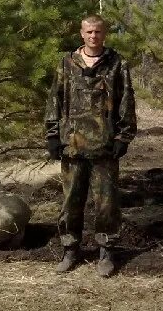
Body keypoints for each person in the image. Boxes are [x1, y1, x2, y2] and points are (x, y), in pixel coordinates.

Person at [45, 14, 136, 277]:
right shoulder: (66, 63)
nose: (93, 36)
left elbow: (127, 101)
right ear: (81, 33)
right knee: (71, 202)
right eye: (89, 32)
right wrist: (53, 136)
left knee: (106, 203)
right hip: (72, 146)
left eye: (98, 32)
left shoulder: (117, 64)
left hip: (105, 147)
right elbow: (54, 100)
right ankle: (70, 249)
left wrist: (123, 137)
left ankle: (106, 252)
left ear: (104, 34)